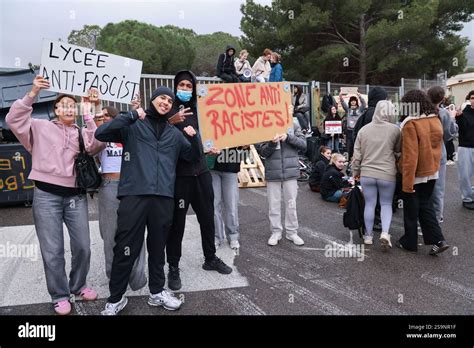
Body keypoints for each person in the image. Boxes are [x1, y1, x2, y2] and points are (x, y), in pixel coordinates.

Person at [96, 86, 202, 315]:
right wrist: (132, 114)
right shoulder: (133, 125)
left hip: (163, 197)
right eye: (162, 98)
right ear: (152, 99)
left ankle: (157, 291)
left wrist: (194, 138)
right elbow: (101, 133)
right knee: (125, 247)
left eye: (169, 100)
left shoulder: (174, 133)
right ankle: (116, 298)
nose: (166, 102)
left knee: (157, 247)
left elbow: (193, 157)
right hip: (134, 195)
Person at [6, 76, 106, 315]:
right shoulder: (39, 127)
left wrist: (91, 112)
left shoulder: (82, 132)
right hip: (45, 196)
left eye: (73, 105)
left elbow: (99, 142)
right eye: (64, 105)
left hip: (75, 197)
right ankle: (59, 294)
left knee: (83, 246)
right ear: (55, 109)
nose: (69, 108)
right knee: (53, 250)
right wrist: (33, 92)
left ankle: (79, 285)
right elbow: (12, 119)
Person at [166, 70, 233, 292]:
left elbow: (209, 136)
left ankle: (210, 258)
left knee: (207, 217)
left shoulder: (201, 109)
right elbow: (158, 134)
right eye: (181, 85)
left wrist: (212, 147)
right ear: (175, 86)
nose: (185, 89)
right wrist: (171, 122)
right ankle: (173, 267)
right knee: (177, 223)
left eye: (188, 85)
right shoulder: (169, 111)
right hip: (180, 176)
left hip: (202, 172)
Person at [94, 104, 147, 293]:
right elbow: (93, 138)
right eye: (102, 115)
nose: (105, 117)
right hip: (109, 186)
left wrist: (136, 110)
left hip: (132, 187)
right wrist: (93, 112)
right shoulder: (101, 135)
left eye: (108, 115)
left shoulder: (129, 131)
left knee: (136, 233)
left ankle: (138, 278)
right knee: (109, 235)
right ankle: (114, 276)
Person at [397, 89, 449, 255]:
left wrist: (407, 182)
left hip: (416, 174)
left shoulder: (410, 124)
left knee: (411, 210)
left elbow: (410, 156)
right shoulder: (435, 119)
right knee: (425, 206)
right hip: (432, 171)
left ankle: (410, 242)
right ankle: (438, 240)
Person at [351, 100, 401, 249]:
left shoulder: (363, 130)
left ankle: (368, 236)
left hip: (367, 173)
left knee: (370, 204)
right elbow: (398, 151)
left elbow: (357, 155)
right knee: (386, 204)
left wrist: (355, 172)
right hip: (387, 173)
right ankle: (385, 233)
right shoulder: (395, 130)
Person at [258, 119, 307, 246]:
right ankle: (275, 232)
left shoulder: (294, 124)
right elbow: (262, 152)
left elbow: (303, 144)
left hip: (290, 173)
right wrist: (272, 144)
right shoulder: (265, 125)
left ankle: (292, 232)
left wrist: (288, 137)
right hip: (273, 173)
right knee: (273, 205)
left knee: (291, 204)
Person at [427, 86, 459, 220]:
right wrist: (452, 118)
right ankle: (437, 218)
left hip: (422, 153)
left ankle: (421, 222)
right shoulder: (444, 114)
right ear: (442, 99)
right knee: (438, 189)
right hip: (439, 153)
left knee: (422, 189)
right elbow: (449, 134)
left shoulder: (420, 112)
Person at [210, 147, 248, 250]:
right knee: (213, 205)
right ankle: (217, 237)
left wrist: (243, 148)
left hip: (231, 167)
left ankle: (233, 236)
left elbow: (245, 153)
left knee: (231, 204)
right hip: (212, 166)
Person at [455, 90, 474, 210]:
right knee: (465, 175)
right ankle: (467, 198)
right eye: (473, 97)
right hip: (465, 147)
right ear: (469, 99)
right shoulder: (463, 113)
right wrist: (459, 116)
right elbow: (462, 129)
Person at [340, 91, 366, 160]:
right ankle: (348, 161)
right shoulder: (348, 110)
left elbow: (364, 104)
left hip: (358, 130)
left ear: (356, 102)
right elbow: (343, 104)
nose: (353, 102)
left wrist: (360, 96)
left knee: (357, 146)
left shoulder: (360, 109)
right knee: (349, 146)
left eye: (354, 101)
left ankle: (357, 159)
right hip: (349, 130)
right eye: (352, 101)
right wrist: (341, 97)